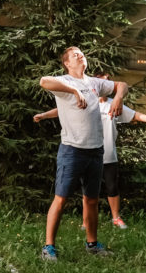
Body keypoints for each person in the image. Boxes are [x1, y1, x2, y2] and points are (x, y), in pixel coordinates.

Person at [33, 72, 146, 230]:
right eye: (102, 82)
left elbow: (135, 115)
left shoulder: (115, 104)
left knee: (112, 187)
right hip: (88, 152)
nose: (106, 85)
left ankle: (116, 218)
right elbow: (61, 109)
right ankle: (85, 222)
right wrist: (44, 115)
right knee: (87, 192)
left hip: (108, 154)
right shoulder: (88, 100)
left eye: (108, 82)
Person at [37, 47, 128, 261]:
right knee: (61, 198)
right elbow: (43, 81)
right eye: (75, 54)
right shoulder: (64, 81)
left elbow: (122, 85)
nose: (80, 55)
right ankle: (48, 247)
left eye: (82, 53)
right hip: (72, 150)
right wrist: (74, 91)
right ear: (67, 63)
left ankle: (92, 244)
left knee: (92, 200)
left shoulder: (94, 83)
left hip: (96, 151)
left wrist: (118, 98)